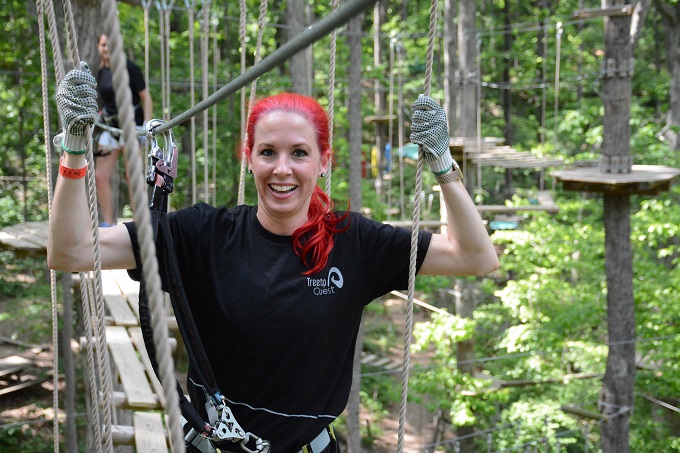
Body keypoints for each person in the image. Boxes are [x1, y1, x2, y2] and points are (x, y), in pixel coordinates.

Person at [49, 64, 499, 452]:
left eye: (299, 154)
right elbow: (71, 251)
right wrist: (73, 149)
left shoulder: (354, 243)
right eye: (268, 153)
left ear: (324, 161)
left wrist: (442, 163)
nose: (282, 169)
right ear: (249, 159)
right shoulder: (203, 236)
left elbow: (474, 257)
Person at [94, 33, 153, 227]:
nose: (106, 48)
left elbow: (146, 97)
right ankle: (109, 222)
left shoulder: (129, 68)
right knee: (100, 176)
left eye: (109, 44)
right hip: (110, 128)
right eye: (103, 45)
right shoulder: (102, 71)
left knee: (132, 176)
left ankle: (140, 223)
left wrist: (146, 125)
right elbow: (108, 99)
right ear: (99, 47)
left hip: (131, 128)